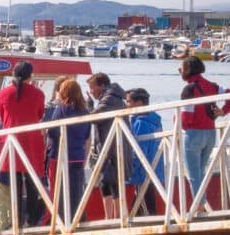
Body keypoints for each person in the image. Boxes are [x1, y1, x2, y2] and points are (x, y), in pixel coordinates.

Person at [0, 61, 46, 227]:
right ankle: (32, 219)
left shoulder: (3, 93)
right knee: (32, 182)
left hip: (11, 140)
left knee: (14, 182)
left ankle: (16, 219)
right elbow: (39, 115)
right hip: (31, 141)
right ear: (30, 76)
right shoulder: (38, 94)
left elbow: (2, 117)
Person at [179, 57, 230, 197]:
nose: (180, 71)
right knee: (201, 172)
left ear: (187, 70)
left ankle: (199, 207)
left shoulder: (189, 89)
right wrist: (223, 111)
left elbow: (186, 119)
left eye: (181, 69)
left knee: (193, 174)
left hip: (194, 135)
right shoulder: (211, 85)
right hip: (210, 133)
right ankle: (201, 205)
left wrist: (176, 121)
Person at [46, 79, 91, 221]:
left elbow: (53, 131)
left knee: (58, 191)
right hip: (78, 155)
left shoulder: (61, 110)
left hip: (60, 156)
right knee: (76, 191)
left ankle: (60, 220)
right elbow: (87, 136)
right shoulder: (85, 112)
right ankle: (77, 219)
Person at [86, 72, 129, 220]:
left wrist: (89, 106)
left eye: (92, 88)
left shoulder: (110, 99)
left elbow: (94, 117)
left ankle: (117, 217)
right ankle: (110, 217)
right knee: (105, 182)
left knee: (112, 182)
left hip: (112, 149)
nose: (91, 92)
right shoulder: (111, 97)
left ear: (102, 85)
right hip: (108, 147)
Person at [126, 88, 164, 216]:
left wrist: (131, 168)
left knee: (142, 201)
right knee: (146, 199)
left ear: (139, 103)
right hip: (153, 167)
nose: (126, 105)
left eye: (129, 101)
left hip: (142, 170)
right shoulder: (155, 121)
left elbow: (138, 150)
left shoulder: (140, 123)